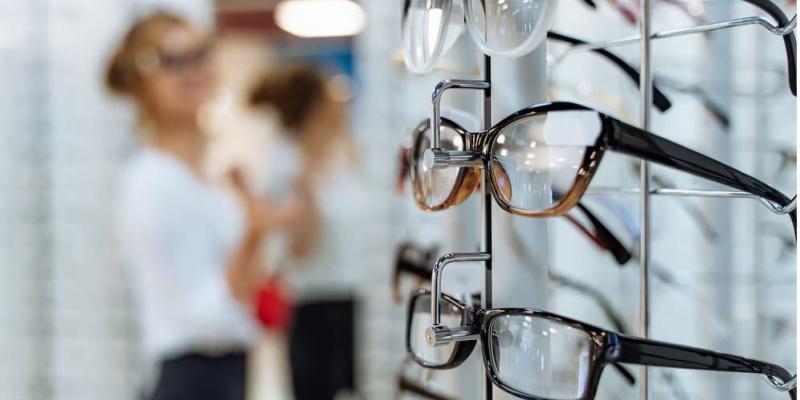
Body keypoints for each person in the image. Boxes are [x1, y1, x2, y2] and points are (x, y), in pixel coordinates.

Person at [107, 11, 285, 400]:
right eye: (173, 61)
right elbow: (208, 315)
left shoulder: (213, 176)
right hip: (191, 378)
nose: (194, 70)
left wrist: (255, 223)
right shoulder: (150, 181)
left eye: (200, 53)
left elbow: (249, 292)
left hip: (231, 373)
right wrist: (253, 232)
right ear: (144, 83)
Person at [250, 65, 365, 400]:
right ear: (315, 108)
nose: (344, 105)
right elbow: (300, 247)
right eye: (335, 97)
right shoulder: (285, 168)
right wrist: (305, 191)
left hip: (357, 303)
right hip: (316, 309)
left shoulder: (345, 161)